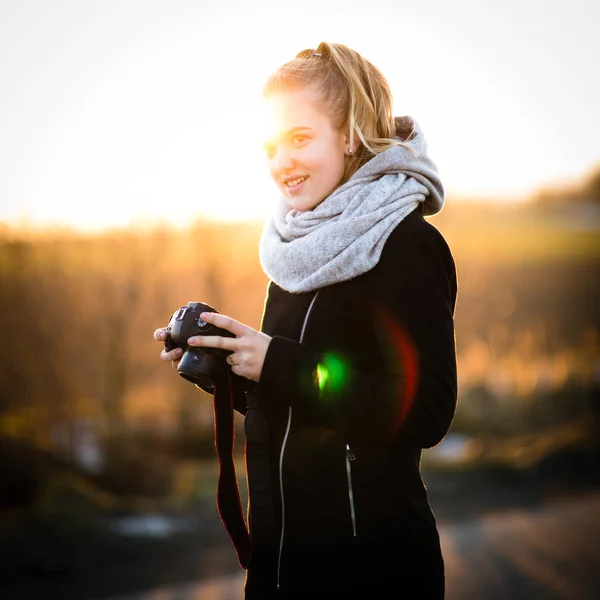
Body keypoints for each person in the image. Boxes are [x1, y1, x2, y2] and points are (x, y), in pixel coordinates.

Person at [154, 42, 457, 600]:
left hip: (372, 570)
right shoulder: (297, 253)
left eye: (299, 138)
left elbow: (426, 411)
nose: (281, 162)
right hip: (284, 564)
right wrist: (230, 372)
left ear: (349, 135)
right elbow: (307, 405)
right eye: (270, 145)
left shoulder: (407, 245)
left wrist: (278, 362)